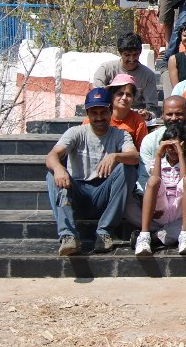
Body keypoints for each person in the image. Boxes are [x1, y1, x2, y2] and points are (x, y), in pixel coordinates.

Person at [45, 87, 139, 256]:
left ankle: (104, 232)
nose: (99, 117)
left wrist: (116, 156)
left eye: (103, 112)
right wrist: (59, 167)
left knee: (128, 168)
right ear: (88, 114)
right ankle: (68, 237)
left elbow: (134, 156)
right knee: (52, 174)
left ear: (111, 111)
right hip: (78, 192)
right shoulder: (76, 132)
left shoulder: (120, 135)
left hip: (104, 194)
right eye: (94, 113)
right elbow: (52, 155)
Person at [127, 95, 186, 249]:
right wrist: (147, 202)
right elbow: (144, 176)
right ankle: (177, 232)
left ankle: (156, 236)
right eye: (169, 114)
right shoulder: (151, 139)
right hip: (158, 203)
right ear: (162, 115)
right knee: (127, 205)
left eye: (179, 114)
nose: (174, 118)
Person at [133, 119, 186, 256]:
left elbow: (185, 180)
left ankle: (185, 233)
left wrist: (181, 154)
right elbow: (155, 182)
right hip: (160, 208)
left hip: (180, 209)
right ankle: (144, 235)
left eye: (176, 147)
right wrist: (158, 155)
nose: (173, 150)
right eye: (169, 147)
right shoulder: (157, 162)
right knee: (152, 180)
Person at [92, 32, 157, 113]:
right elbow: (98, 97)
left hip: (136, 117)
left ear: (140, 52)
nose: (132, 59)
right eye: (127, 55)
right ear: (120, 53)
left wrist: (147, 115)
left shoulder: (148, 75)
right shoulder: (105, 69)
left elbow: (152, 108)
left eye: (135, 54)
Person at [87, 74, 148, 149]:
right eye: (120, 94)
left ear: (133, 99)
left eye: (128, 95)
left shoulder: (138, 122)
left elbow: (141, 151)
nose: (124, 98)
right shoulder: (97, 117)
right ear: (112, 96)